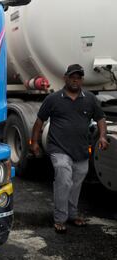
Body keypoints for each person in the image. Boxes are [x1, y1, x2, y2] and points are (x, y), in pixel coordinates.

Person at [30, 64, 109, 233]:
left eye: (78, 77)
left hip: (80, 151)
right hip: (59, 148)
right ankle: (60, 219)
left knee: (76, 184)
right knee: (64, 180)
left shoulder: (89, 99)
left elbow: (101, 119)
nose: (75, 80)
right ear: (65, 78)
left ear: (82, 80)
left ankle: (73, 215)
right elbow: (39, 122)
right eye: (72, 77)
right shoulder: (53, 99)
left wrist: (102, 136)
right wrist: (34, 142)